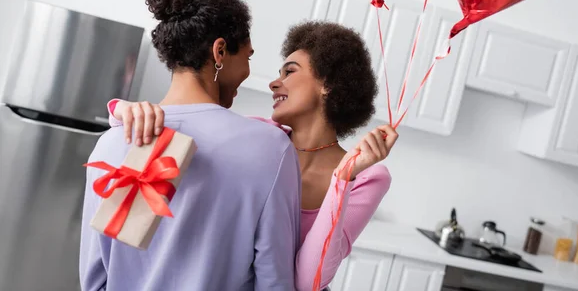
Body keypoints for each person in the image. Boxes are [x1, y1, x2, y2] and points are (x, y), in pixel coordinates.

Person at [111, 18, 399, 290]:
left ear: (329, 84)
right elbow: (181, 128)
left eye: (290, 71)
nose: (274, 83)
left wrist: (343, 178)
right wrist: (123, 109)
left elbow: (308, 281)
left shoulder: (367, 176)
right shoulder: (258, 137)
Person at [79, 0, 302, 291]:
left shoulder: (113, 142)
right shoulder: (270, 148)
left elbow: (95, 280)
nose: (248, 71)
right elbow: (274, 282)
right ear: (220, 51)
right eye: (247, 58)